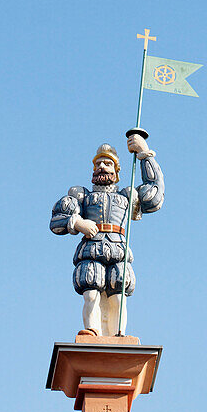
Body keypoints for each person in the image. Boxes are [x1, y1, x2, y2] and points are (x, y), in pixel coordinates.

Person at [50, 133, 164, 336]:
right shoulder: (82, 195)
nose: (102, 167)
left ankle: (119, 333)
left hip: (118, 248)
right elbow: (57, 220)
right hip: (92, 247)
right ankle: (91, 330)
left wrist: (145, 154)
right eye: (99, 164)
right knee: (91, 293)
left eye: (108, 164)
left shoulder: (127, 195)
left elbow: (154, 196)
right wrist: (78, 222)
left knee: (118, 297)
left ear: (116, 171)